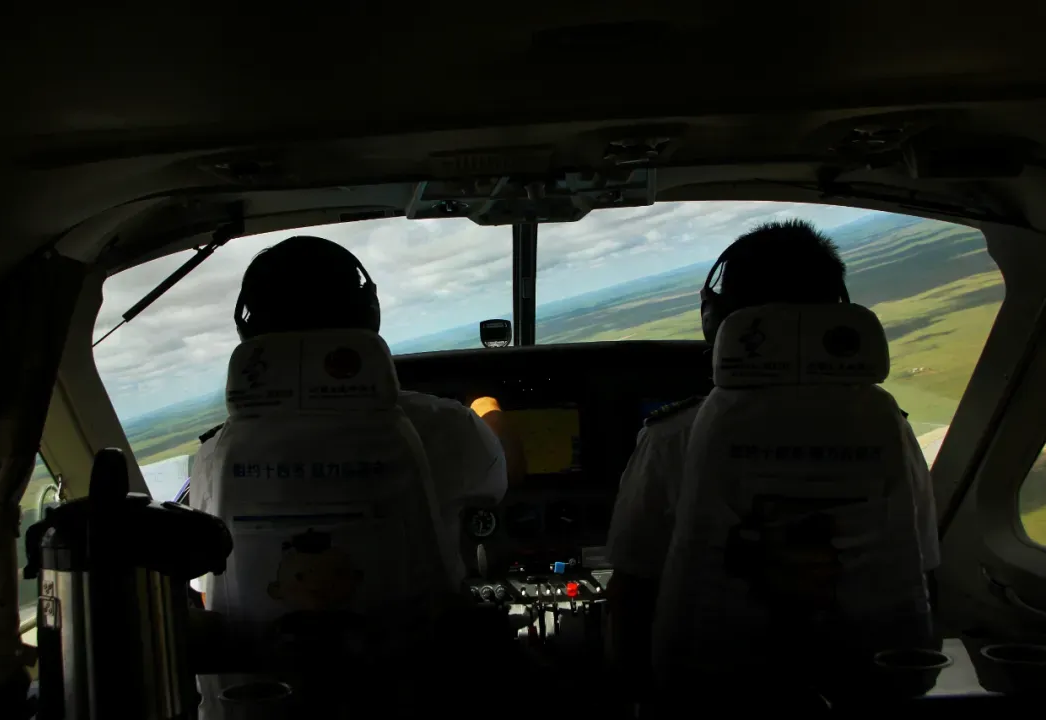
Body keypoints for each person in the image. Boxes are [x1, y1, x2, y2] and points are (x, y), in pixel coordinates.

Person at [604, 219, 939, 695]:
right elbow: (920, 568)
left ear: (717, 319)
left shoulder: (672, 438)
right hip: (872, 696)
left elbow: (632, 594)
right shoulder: (888, 427)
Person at [189, 235, 525, 586]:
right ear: (370, 314)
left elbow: (206, 580)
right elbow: (509, 469)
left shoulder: (213, 460)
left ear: (247, 332)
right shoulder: (444, 427)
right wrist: (487, 407)